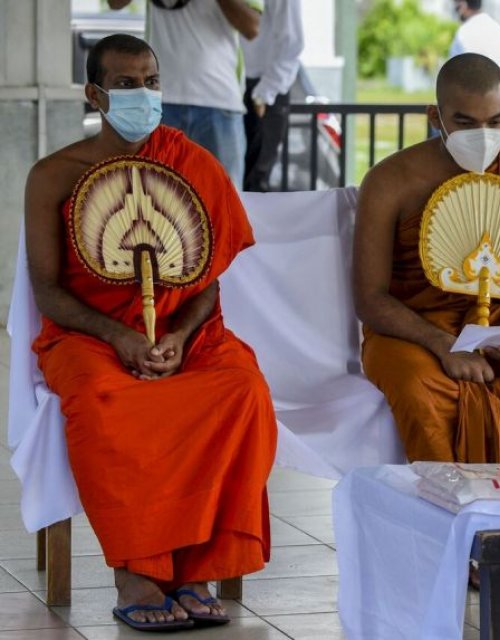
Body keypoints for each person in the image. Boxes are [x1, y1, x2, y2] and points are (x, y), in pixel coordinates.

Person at [23, 34, 276, 629]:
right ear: (95, 93)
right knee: (108, 403)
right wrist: (120, 338)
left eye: (152, 83)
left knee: (243, 392)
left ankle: (194, 568)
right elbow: (48, 294)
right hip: (88, 338)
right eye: (127, 84)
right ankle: (137, 571)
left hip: (189, 335)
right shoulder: (53, 175)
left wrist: (180, 337)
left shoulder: (193, 164)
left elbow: (207, 281)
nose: (144, 95)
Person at [354, 53, 500, 464]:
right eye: (464, 123)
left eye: (495, 122)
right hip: (413, 335)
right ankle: (450, 515)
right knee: (419, 390)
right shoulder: (390, 181)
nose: (483, 134)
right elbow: (370, 299)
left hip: (499, 332)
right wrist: (444, 346)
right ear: (435, 115)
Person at [107, 0, 262, 188]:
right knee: (154, 200)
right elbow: (114, 3)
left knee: (224, 200)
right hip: (159, 102)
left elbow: (253, 27)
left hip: (218, 102)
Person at [241, 0, 304, 192]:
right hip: (231, 84)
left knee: (254, 182)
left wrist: (264, 93)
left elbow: (292, 44)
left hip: (264, 88)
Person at [449, 1, 500, 79]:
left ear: (463, 5)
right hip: (498, 89)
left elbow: (452, 73)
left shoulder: (463, 32)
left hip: (470, 89)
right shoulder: (498, 29)